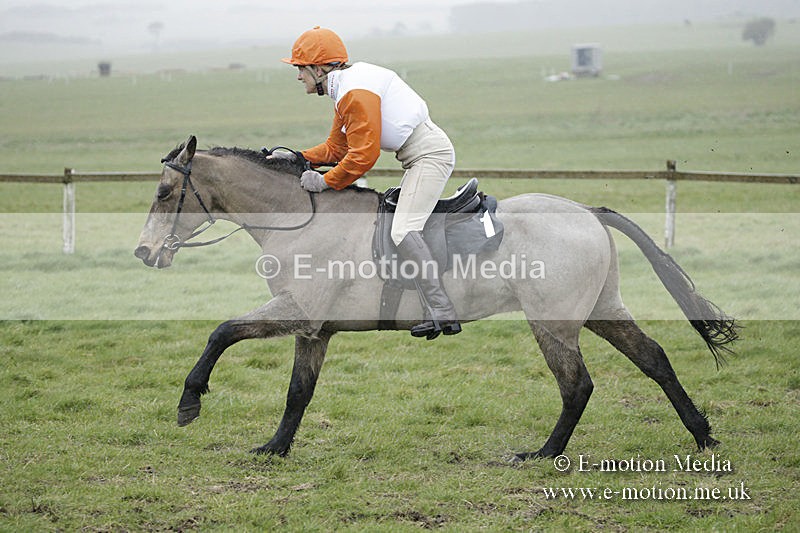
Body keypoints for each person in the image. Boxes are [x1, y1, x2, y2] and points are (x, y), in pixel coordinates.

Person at [279, 26, 461, 340]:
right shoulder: (347, 87)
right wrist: (294, 157)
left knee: (403, 229)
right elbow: (336, 149)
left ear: (319, 68)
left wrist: (324, 182)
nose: (298, 76)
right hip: (419, 155)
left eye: (300, 68)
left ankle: (442, 310)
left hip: (429, 156)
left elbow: (364, 156)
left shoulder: (354, 91)